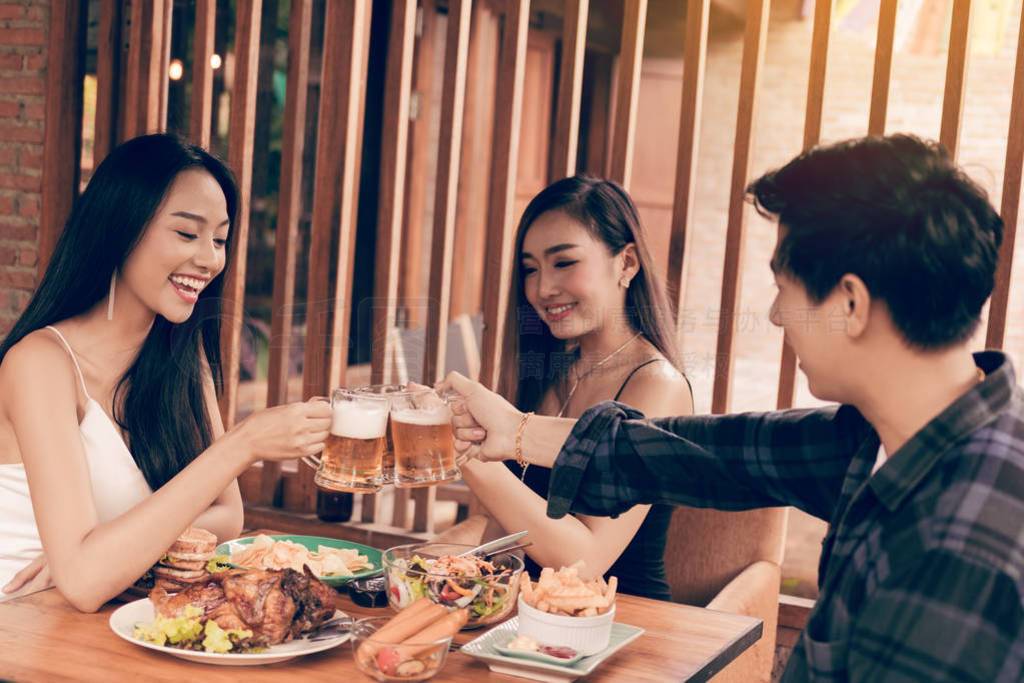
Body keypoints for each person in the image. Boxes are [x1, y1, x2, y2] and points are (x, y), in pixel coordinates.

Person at [442, 135, 1024, 680]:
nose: (774, 316)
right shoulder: (872, 438)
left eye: (783, 287)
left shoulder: (962, 546)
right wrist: (514, 431)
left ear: (850, 302)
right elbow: (696, 454)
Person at [0, 134, 331, 610]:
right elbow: (85, 584)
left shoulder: (180, 359)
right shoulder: (41, 364)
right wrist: (244, 444)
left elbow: (228, 515)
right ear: (121, 230)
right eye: (186, 233)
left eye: (219, 239)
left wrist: (112, 552)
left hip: (110, 621)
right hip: (22, 628)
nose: (210, 259)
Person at [446, 175, 693, 601]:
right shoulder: (553, 368)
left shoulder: (657, 386)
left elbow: (583, 560)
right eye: (530, 269)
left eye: (563, 263)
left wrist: (465, 453)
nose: (543, 289)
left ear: (627, 263)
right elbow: (501, 524)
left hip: (618, 625)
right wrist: (421, 562)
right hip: (527, 617)